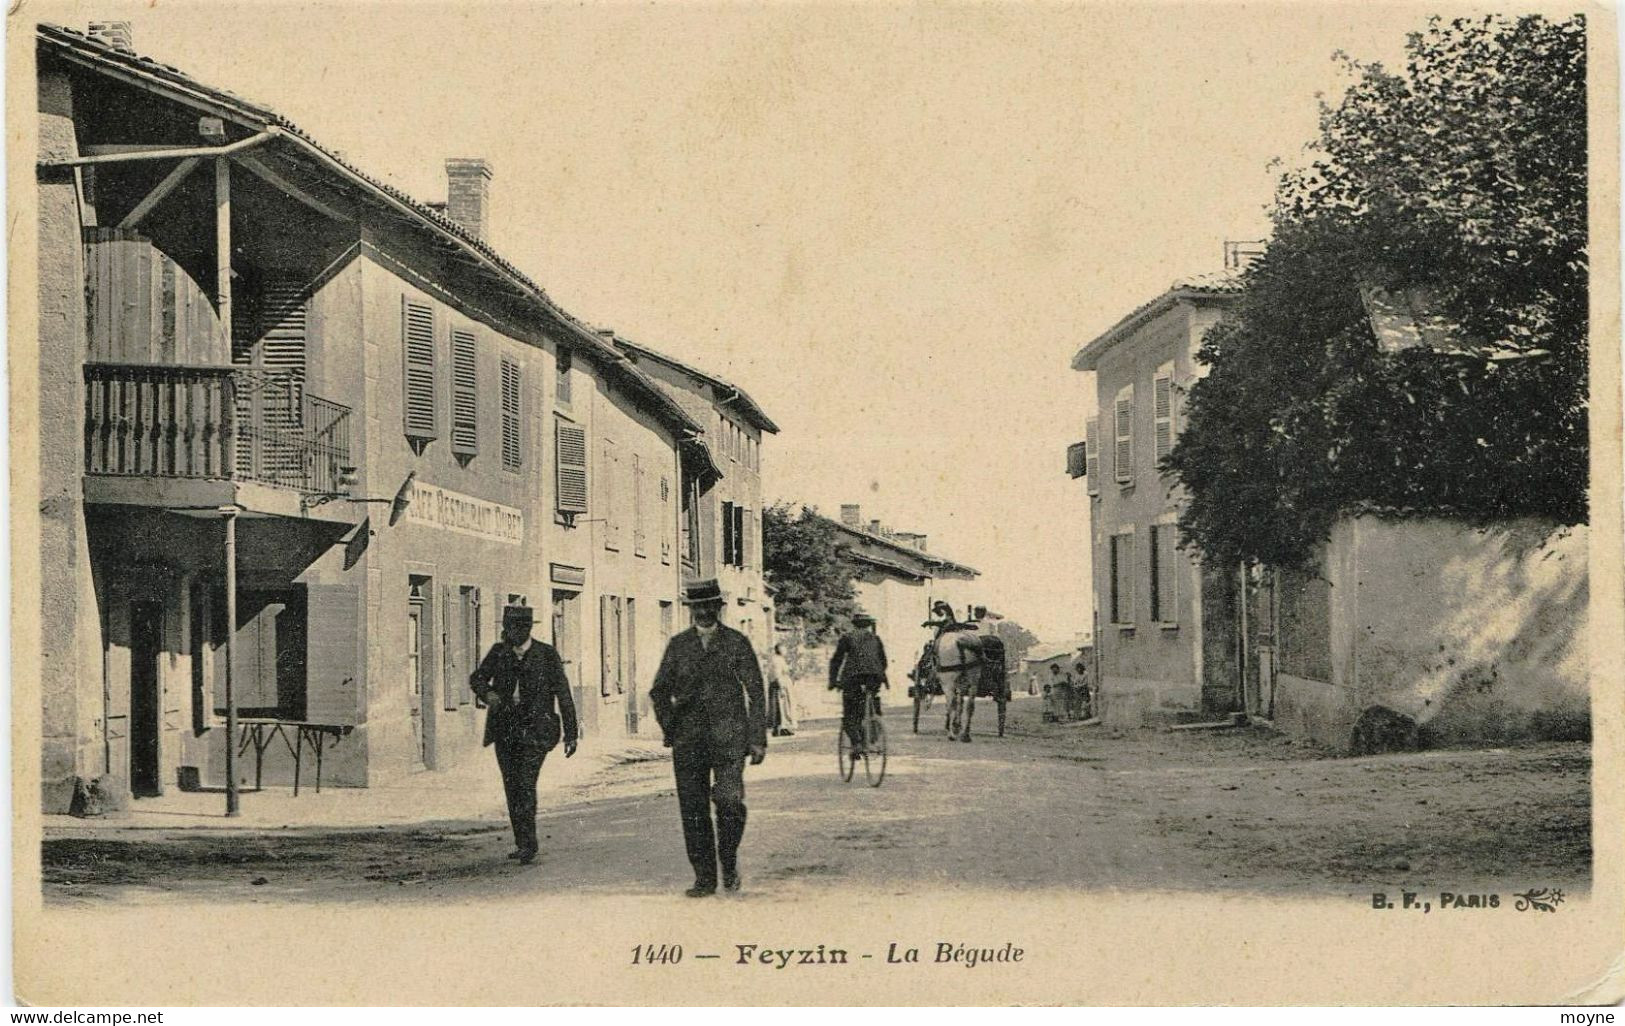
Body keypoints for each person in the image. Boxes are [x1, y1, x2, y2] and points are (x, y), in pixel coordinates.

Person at [649, 579, 768, 897]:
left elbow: (756, 690)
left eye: (709, 606)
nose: (703, 612)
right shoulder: (678, 646)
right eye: (697, 607)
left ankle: (728, 860)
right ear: (690, 610)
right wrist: (670, 728)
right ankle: (704, 877)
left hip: (729, 737)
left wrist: (757, 738)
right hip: (688, 740)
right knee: (693, 808)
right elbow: (659, 691)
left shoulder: (736, 643)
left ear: (719, 607)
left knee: (730, 802)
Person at [468, 605, 578, 865]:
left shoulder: (546, 655)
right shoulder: (499, 653)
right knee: (512, 786)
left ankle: (529, 844)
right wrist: (488, 693)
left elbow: (563, 694)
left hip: (537, 731)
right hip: (505, 730)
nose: (510, 633)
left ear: (526, 629)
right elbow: (477, 678)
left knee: (526, 784)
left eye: (516, 628)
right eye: (507, 628)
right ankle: (522, 842)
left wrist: (571, 734)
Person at [828, 612, 888, 756]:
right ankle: (874, 723)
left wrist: (833, 681)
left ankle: (856, 744)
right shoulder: (876, 638)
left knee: (849, 714)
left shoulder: (847, 638)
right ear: (868, 625)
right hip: (874, 678)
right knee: (870, 703)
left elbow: (837, 660)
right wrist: (877, 675)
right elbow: (883, 662)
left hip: (853, 678)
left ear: (854, 624)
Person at [768, 644, 797, 737]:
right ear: (780, 650)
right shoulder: (777, 660)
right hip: (780, 686)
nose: (786, 651)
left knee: (781, 707)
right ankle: (782, 728)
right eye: (784, 649)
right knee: (782, 707)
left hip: (781, 685)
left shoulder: (777, 659)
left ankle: (780, 728)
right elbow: (777, 675)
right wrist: (781, 688)